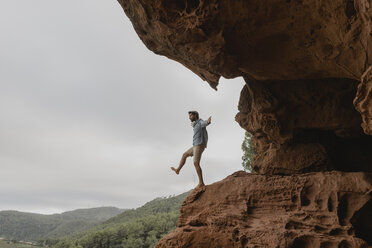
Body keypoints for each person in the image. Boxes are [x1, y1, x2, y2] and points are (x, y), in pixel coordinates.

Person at [171, 111, 212, 187]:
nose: (189, 117)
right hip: (195, 145)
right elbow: (196, 125)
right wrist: (194, 124)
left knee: (196, 163)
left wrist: (208, 121)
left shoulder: (200, 122)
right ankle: (178, 170)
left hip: (199, 145)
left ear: (195, 115)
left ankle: (201, 182)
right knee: (185, 155)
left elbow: (204, 123)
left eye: (190, 116)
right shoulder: (195, 124)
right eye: (189, 116)